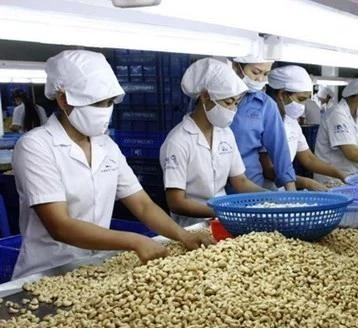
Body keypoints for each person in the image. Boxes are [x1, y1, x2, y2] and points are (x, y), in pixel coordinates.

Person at [11, 50, 211, 279]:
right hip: (47, 272)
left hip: (94, 269)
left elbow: (143, 205)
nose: (105, 111)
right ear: (64, 99)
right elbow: (60, 225)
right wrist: (133, 240)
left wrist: (182, 235)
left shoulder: (106, 146)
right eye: (97, 103)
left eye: (109, 102)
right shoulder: (35, 146)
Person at [160, 58, 266, 227]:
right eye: (228, 103)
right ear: (205, 97)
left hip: (224, 221)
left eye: (236, 103)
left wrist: (272, 198)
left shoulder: (225, 133)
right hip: (191, 227)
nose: (232, 110)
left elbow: (241, 181)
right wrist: (222, 212)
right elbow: (176, 202)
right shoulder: (178, 141)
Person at [263, 65, 346, 191]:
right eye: (300, 99)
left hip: (285, 189)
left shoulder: (292, 122)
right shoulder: (264, 121)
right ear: (282, 94)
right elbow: (268, 170)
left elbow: (309, 158)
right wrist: (307, 183)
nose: (303, 106)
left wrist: (339, 174)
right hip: (263, 190)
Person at [229, 54, 296, 192]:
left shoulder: (266, 105)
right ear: (237, 67)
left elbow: (279, 148)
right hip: (216, 186)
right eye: (255, 72)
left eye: (266, 74)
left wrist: (291, 192)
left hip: (251, 184)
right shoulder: (216, 98)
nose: (260, 79)